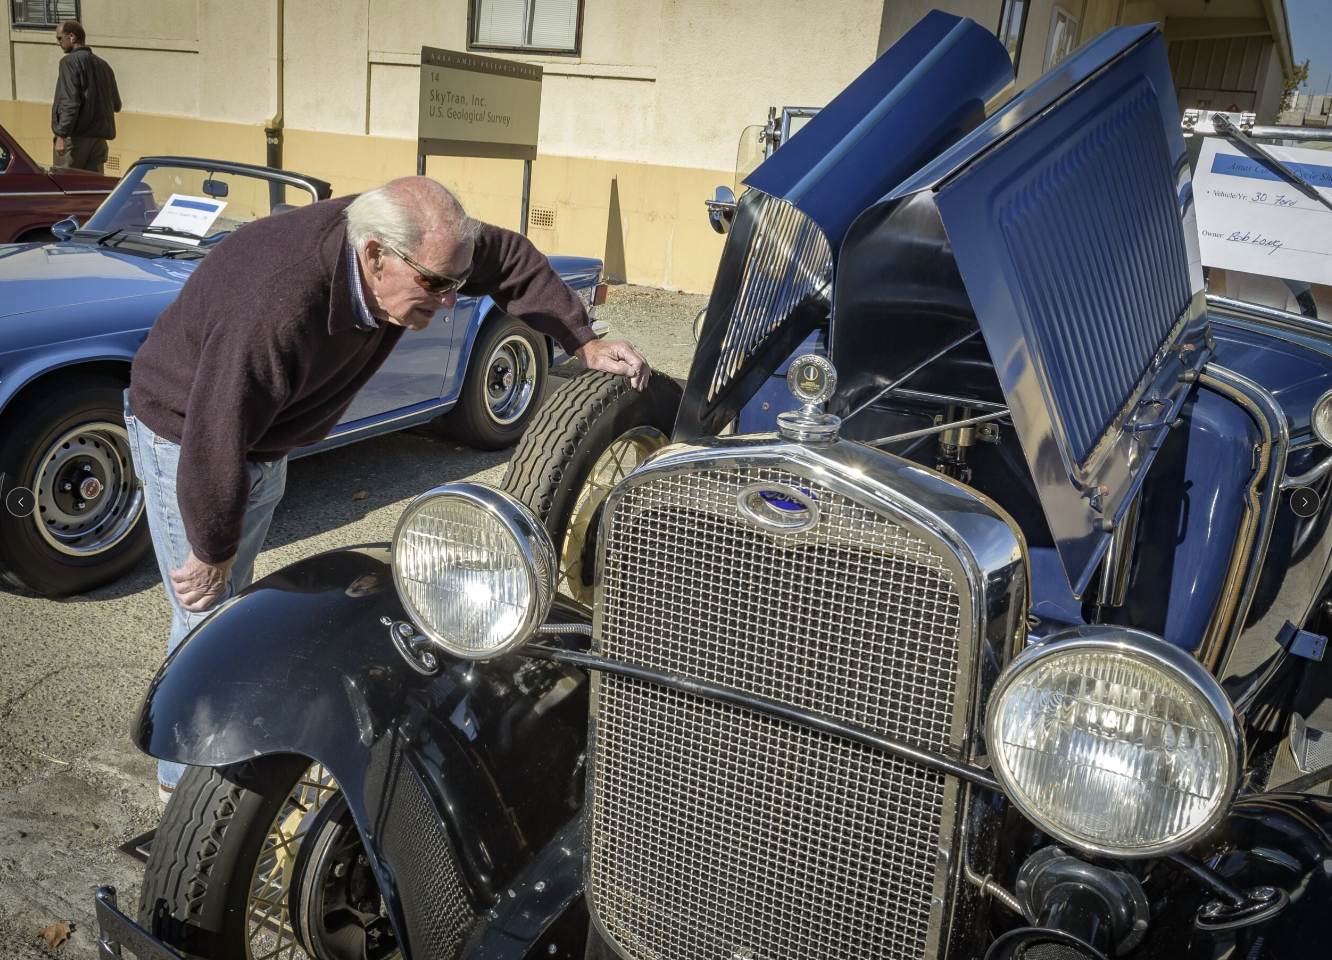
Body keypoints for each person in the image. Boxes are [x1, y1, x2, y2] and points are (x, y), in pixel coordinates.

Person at [125, 176, 651, 801]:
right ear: (374, 254)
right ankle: (181, 793)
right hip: (184, 434)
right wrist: (211, 547)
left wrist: (582, 340)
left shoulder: (425, 246)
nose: (451, 300)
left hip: (261, 439)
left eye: (457, 282)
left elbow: (506, 259)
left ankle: (206, 782)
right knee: (207, 611)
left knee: (231, 596)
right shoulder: (273, 301)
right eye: (435, 284)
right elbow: (216, 430)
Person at [50, 20, 120, 174]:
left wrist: (61, 135)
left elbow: (70, 102)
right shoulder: (104, 66)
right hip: (99, 141)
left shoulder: (69, 62)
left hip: (75, 139)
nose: (57, 43)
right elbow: (116, 105)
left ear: (72, 37)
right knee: (92, 190)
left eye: (60, 38)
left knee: (66, 187)